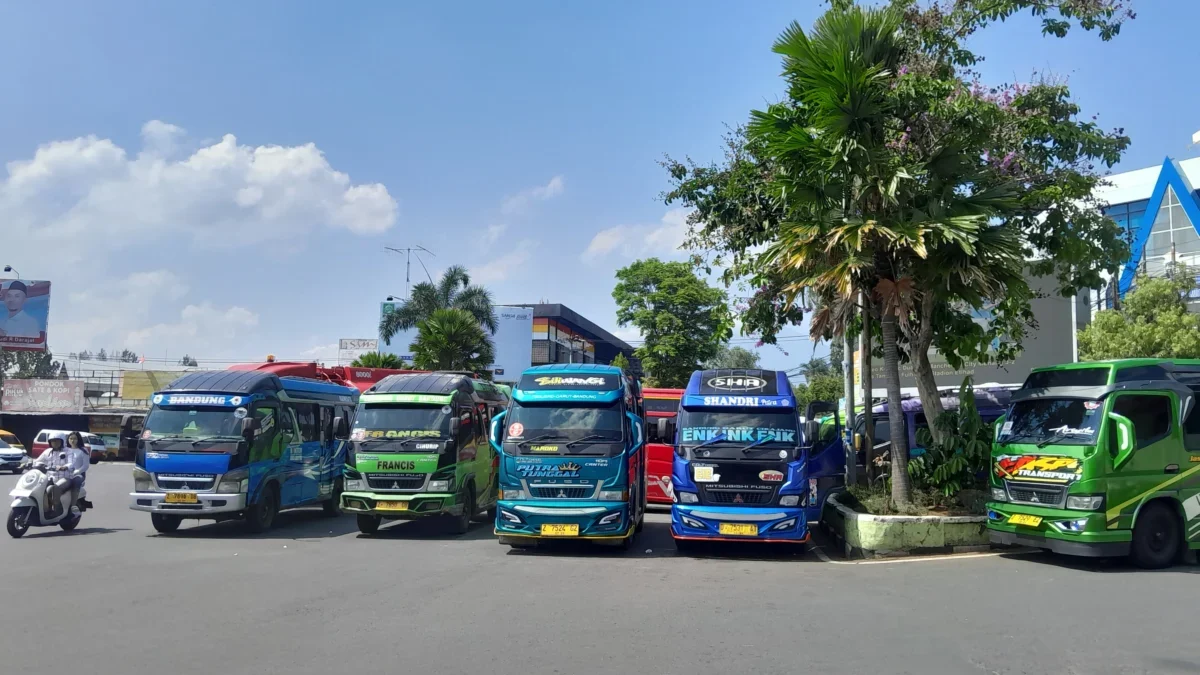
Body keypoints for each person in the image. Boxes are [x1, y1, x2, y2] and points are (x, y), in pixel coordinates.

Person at [65, 431, 92, 510]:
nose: (72, 441)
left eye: (75, 439)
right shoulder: (65, 450)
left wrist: (77, 472)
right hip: (65, 474)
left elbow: (85, 466)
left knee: (75, 483)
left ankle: (73, 504)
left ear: (79, 439)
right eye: (71, 438)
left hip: (79, 475)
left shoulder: (83, 451)